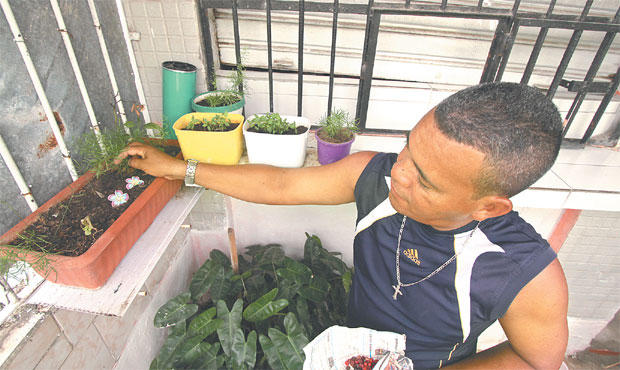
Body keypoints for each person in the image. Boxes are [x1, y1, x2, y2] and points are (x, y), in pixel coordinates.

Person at [117, 82, 568, 369]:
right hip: (350, 353)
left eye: (425, 181)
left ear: (488, 207)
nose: (400, 175)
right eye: (409, 151)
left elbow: (536, 360)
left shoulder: (526, 273)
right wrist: (184, 169)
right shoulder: (372, 175)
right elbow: (278, 184)